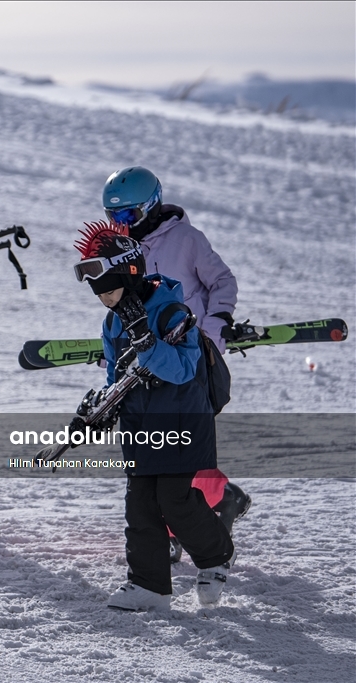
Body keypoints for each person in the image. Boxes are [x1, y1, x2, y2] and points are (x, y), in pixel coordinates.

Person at [73, 221, 236, 610]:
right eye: (100, 295)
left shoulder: (171, 313)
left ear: (129, 277)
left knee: (174, 499)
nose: (106, 300)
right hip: (140, 428)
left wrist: (147, 342)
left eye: (110, 291)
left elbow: (182, 370)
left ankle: (217, 555)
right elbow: (117, 376)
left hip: (182, 421)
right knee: (140, 504)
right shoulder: (113, 322)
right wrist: (101, 410)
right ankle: (149, 585)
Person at [102, 167, 251, 563]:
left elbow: (223, 282)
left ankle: (217, 504)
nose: (121, 225)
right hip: (146, 368)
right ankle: (171, 527)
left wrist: (217, 322)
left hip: (190, 361)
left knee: (186, 456)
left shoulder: (187, 240)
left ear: (150, 206)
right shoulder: (120, 246)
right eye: (113, 217)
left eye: (128, 216)